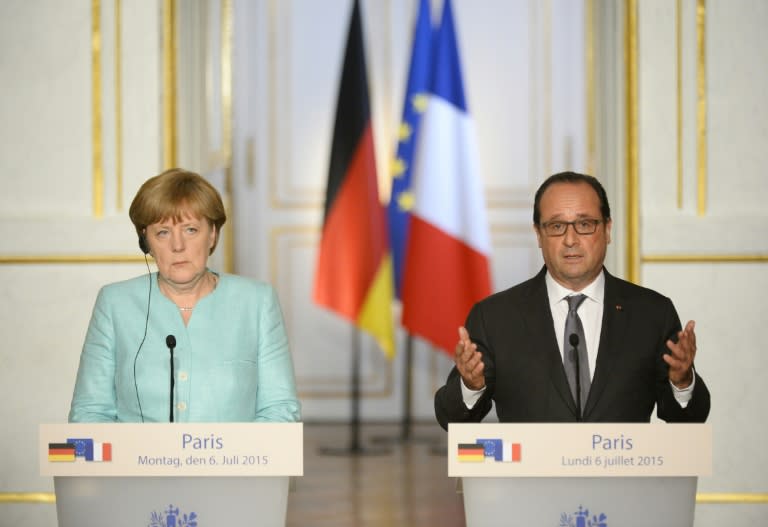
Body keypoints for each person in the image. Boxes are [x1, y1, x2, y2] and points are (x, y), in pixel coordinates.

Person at [435, 171, 710, 428]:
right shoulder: (495, 317)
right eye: (556, 226)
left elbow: (689, 419)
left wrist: (682, 382)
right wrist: (471, 387)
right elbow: (451, 418)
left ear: (607, 229)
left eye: (585, 224)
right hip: (530, 477)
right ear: (539, 235)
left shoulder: (652, 313)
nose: (570, 239)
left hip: (622, 476)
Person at [69, 168, 301, 423]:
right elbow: (89, 413)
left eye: (190, 230)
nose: (177, 246)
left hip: (232, 462)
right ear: (146, 242)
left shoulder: (257, 302)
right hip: (139, 463)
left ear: (212, 234)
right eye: (163, 232)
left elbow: (280, 411)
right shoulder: (115, 304)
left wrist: (232, 458)